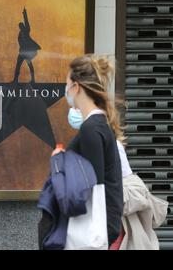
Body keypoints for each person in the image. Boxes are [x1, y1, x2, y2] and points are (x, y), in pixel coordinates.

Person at [52, 55, 124, 246]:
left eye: (67, 84)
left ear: (76, 86)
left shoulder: (91, 128)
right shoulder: (100, 124)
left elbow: (94, 189)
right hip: (96, 231)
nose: (66, 90)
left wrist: (60, 166)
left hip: (90, 234)